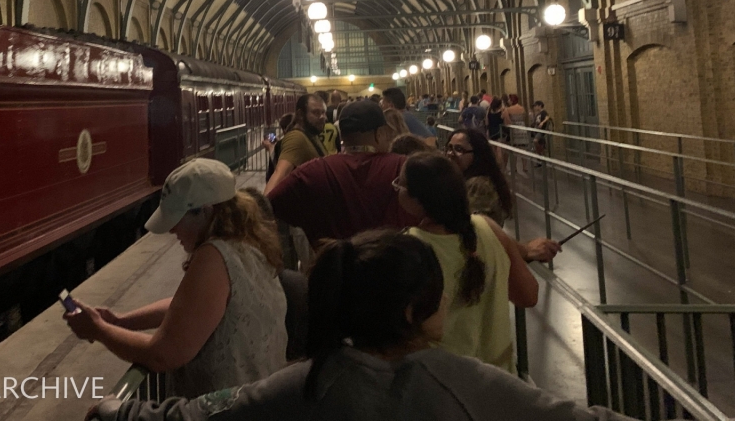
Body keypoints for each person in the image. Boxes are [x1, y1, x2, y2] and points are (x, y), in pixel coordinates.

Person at [90, 230, 631, 421]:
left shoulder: (300, 385)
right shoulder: (466, 385)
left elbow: (197, 414)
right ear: (413, 312)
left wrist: (113, 412)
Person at [64, 159, 287, 398]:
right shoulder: (247, 242)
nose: (172, 230)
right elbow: (191, 306)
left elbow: (162, 354)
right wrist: (120, 321)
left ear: (205, 211)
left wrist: (98, 330)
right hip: (256, 401)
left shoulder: (214, 255)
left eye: (177, 220)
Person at [396, 153, 538, 372]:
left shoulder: (410, 246)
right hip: (500, 377)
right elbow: (528, 295)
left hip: (444, 380)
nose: (396, 188)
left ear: (416, 198)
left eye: (400, 185)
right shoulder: (489, 227)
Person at [267, 101, 418, 245]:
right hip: (396, 265)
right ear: (379, 133)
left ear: (343, 135)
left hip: (335, 267)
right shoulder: (405, 166)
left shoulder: (314, 170)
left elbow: (270, 203)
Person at [446, 129, 560, 263]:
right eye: (449, 148)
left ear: (477, 155)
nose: (450, 154)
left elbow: (479, 234)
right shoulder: (461, 180)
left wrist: (525, 250)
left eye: (459, 149)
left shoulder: (478, 185)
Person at [265, 94, 327, 194]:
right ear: (300, 115)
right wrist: (262, 208)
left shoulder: (312, 134)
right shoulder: (296, 138)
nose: (323, 117)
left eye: (323, 112)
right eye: (316, 112)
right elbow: (279, 177)